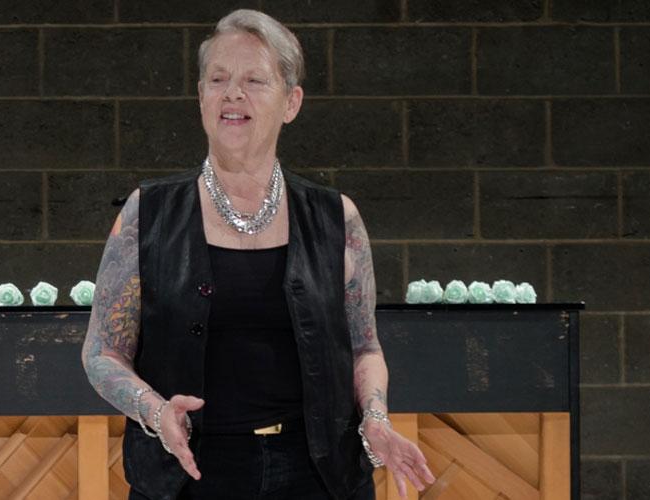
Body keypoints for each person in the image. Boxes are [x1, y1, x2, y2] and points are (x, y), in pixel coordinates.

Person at [81, 9, 434, 500]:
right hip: (190, 475)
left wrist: (374, 418)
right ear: (201, 96)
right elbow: (101, 352)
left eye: (254, 80)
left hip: (319, 477)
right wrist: (154, 410)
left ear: (291, 102)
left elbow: (364, 346)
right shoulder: (149, 213)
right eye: (218, 79)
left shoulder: (337, 218)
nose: (233, 93)